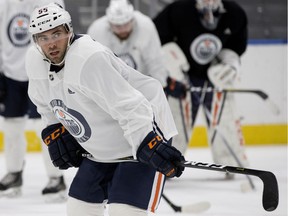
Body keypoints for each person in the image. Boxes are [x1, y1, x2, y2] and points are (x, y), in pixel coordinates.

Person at [26, 3, 185, 216]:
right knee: (79, 209)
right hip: (100, 150)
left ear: (69, 31)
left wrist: (149, 145)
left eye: (56, 34)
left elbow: (131, 106)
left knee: (124, 212)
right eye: (43, 38)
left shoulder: (88, 59)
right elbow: (45, 103)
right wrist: (54, 130)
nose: (51, 44)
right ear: (35, 41)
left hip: (143, 132)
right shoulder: (34, 60)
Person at [153, 0, 249, 177]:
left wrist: (230, 63)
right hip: (182, 79)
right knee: (175, 127)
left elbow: (236, 46)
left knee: (225, 121)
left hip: (216, 77)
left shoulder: (235, 13)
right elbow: (156, 38)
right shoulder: (178, 10)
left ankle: (233, 166)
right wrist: (169, 71)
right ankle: (166, 166)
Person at [87, 0, 188, 153]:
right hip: (110, 89)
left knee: (150, 125)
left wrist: (162, 86)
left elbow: (155, 61)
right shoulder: (97, 30)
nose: (122, 30)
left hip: (141, 86)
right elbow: (93, 68)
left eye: (125, 25)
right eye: (117, 26)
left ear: (132, 19)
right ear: (109, 23)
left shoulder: (145, 26)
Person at [0, 0, 67, 201]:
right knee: (11, 127)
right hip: (10, 75)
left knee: (45, 126)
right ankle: (14, 173)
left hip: (40, 74)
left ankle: (56, 177)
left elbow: (61, 34)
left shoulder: (48, 2)